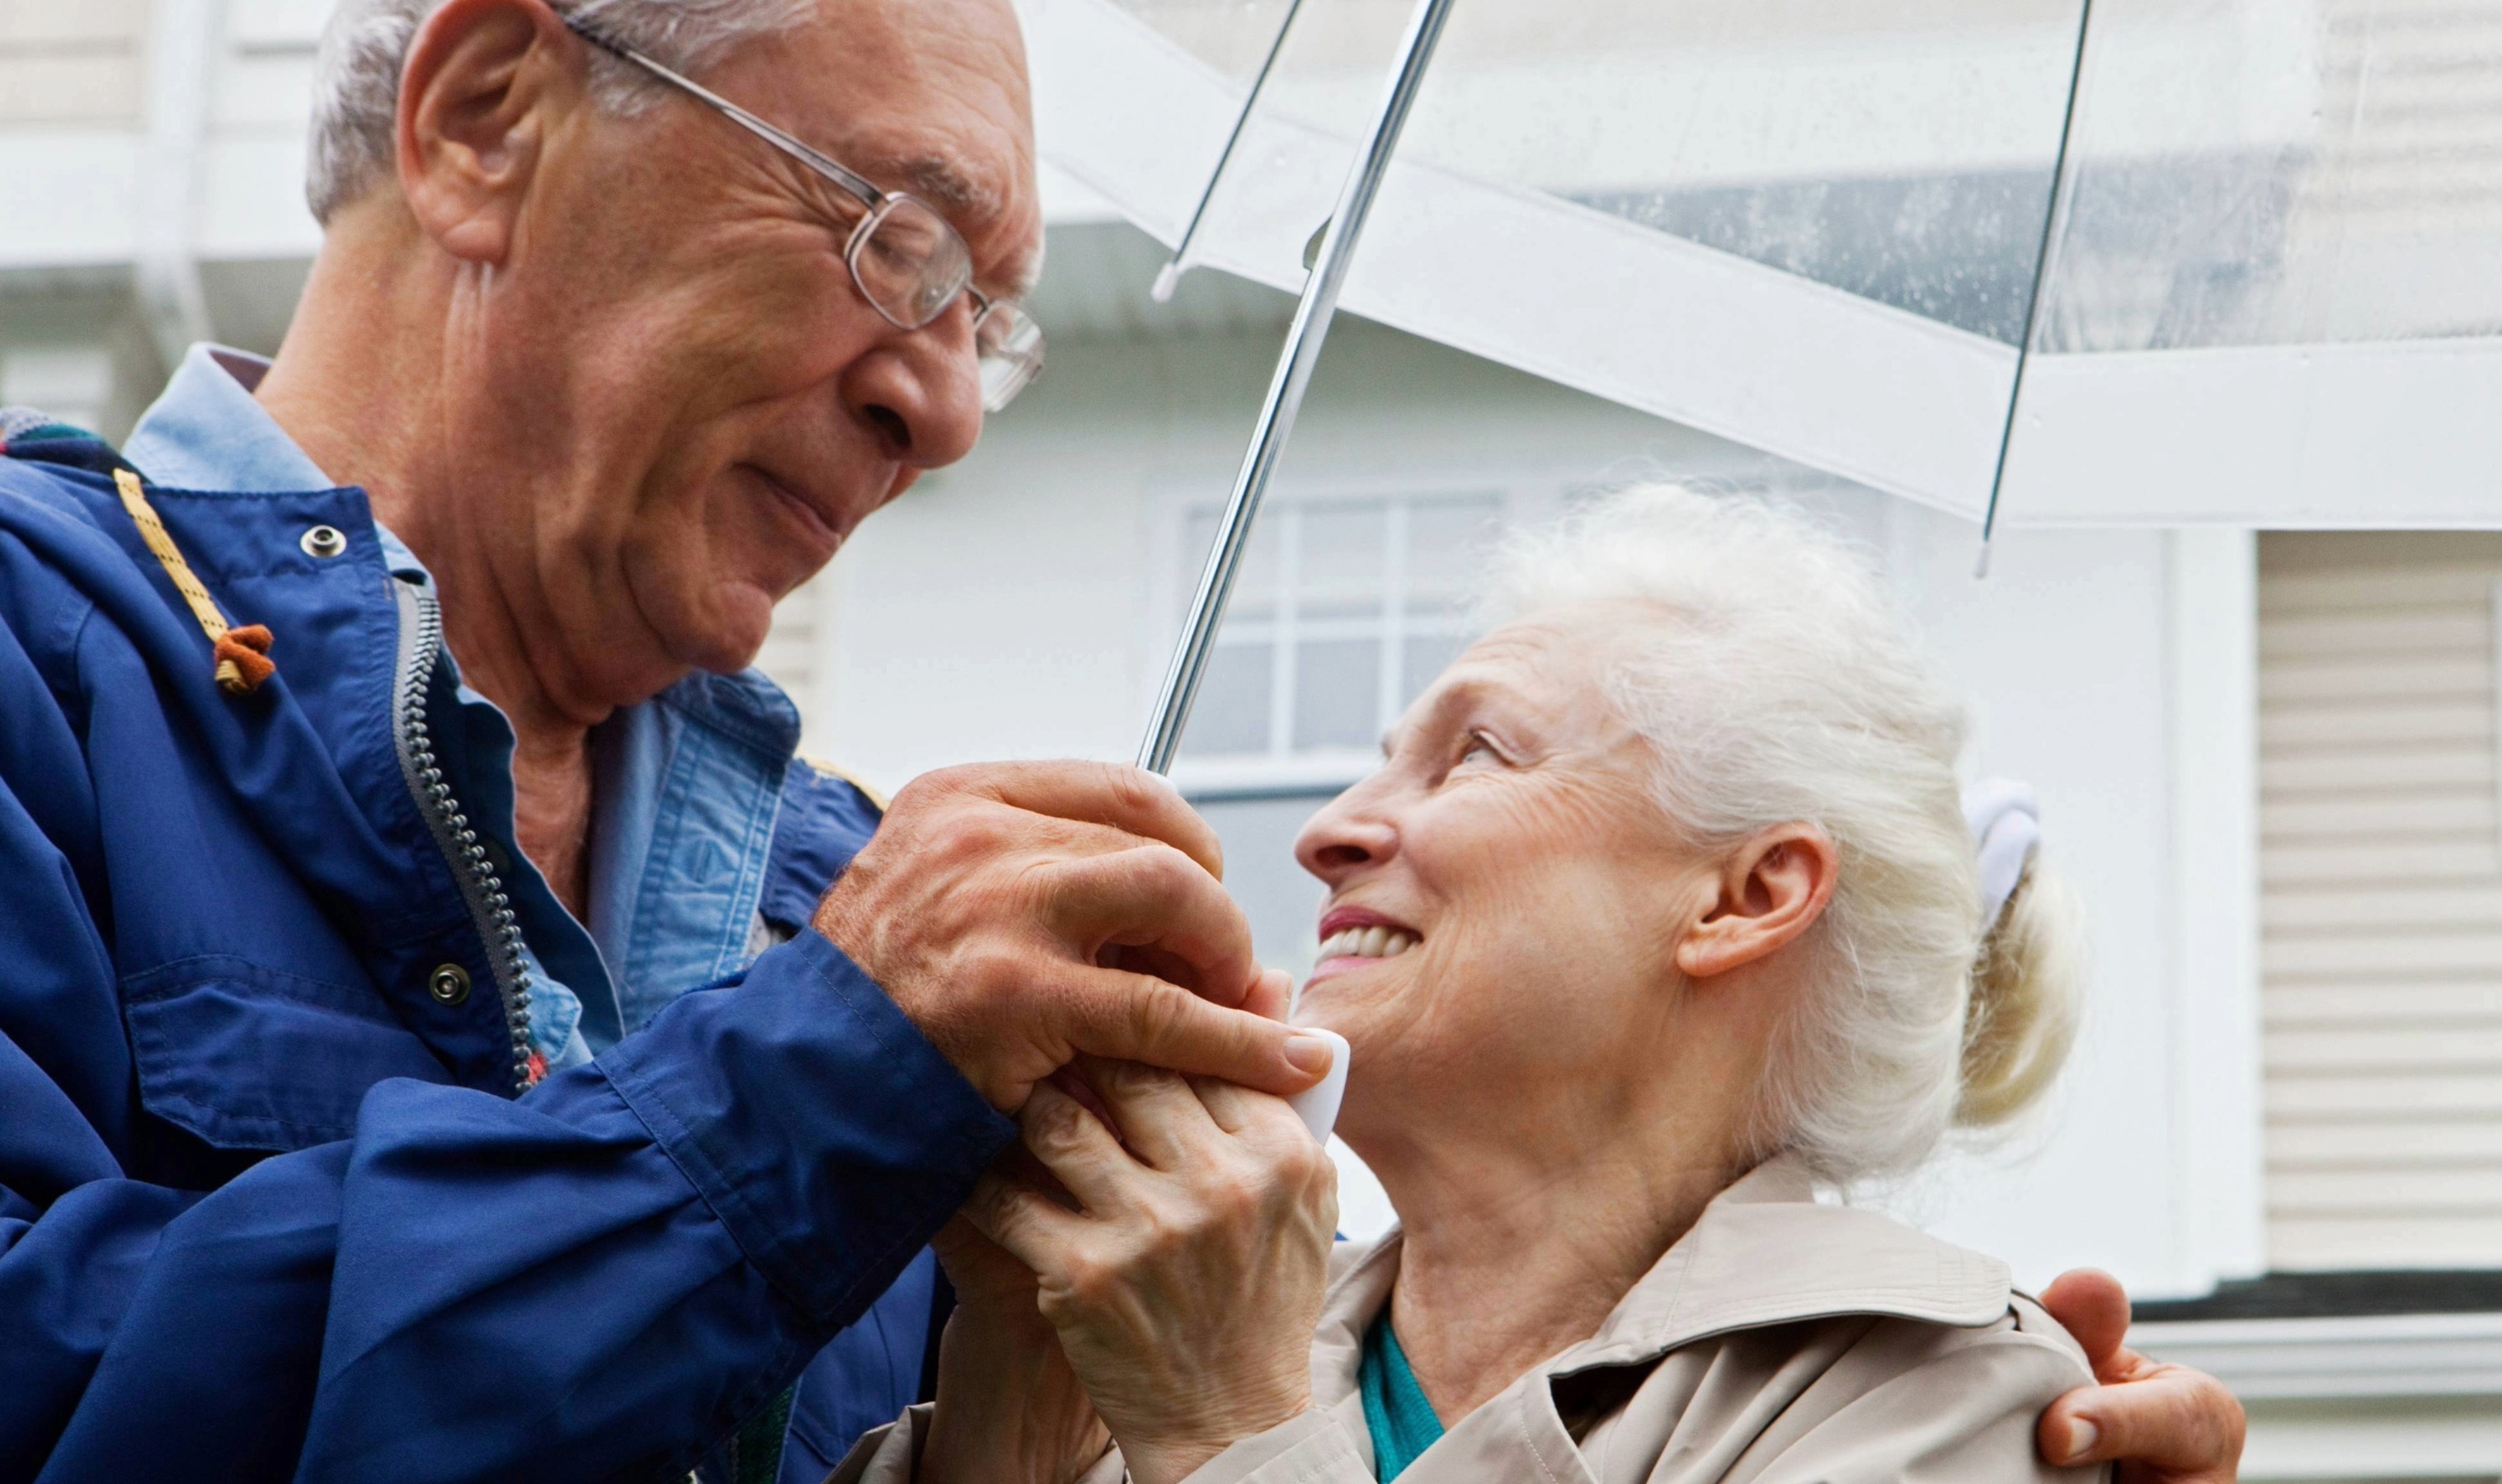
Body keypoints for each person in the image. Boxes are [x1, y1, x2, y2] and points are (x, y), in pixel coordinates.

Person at [0, 0, 2240, 1474]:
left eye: (996, 324)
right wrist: (798, 1101)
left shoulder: (852, 915)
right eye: (896, 245)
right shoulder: (45, 646)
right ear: (486, 118)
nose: (950, 404)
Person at [834, 487, 2246, 1484]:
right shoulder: (1154, 1333)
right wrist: (1012, 1417)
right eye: (1380, 758)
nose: (1327, 832)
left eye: (1478, 756)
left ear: (1745, 897)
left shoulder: (1941, 1403)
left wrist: (1228, 1435)